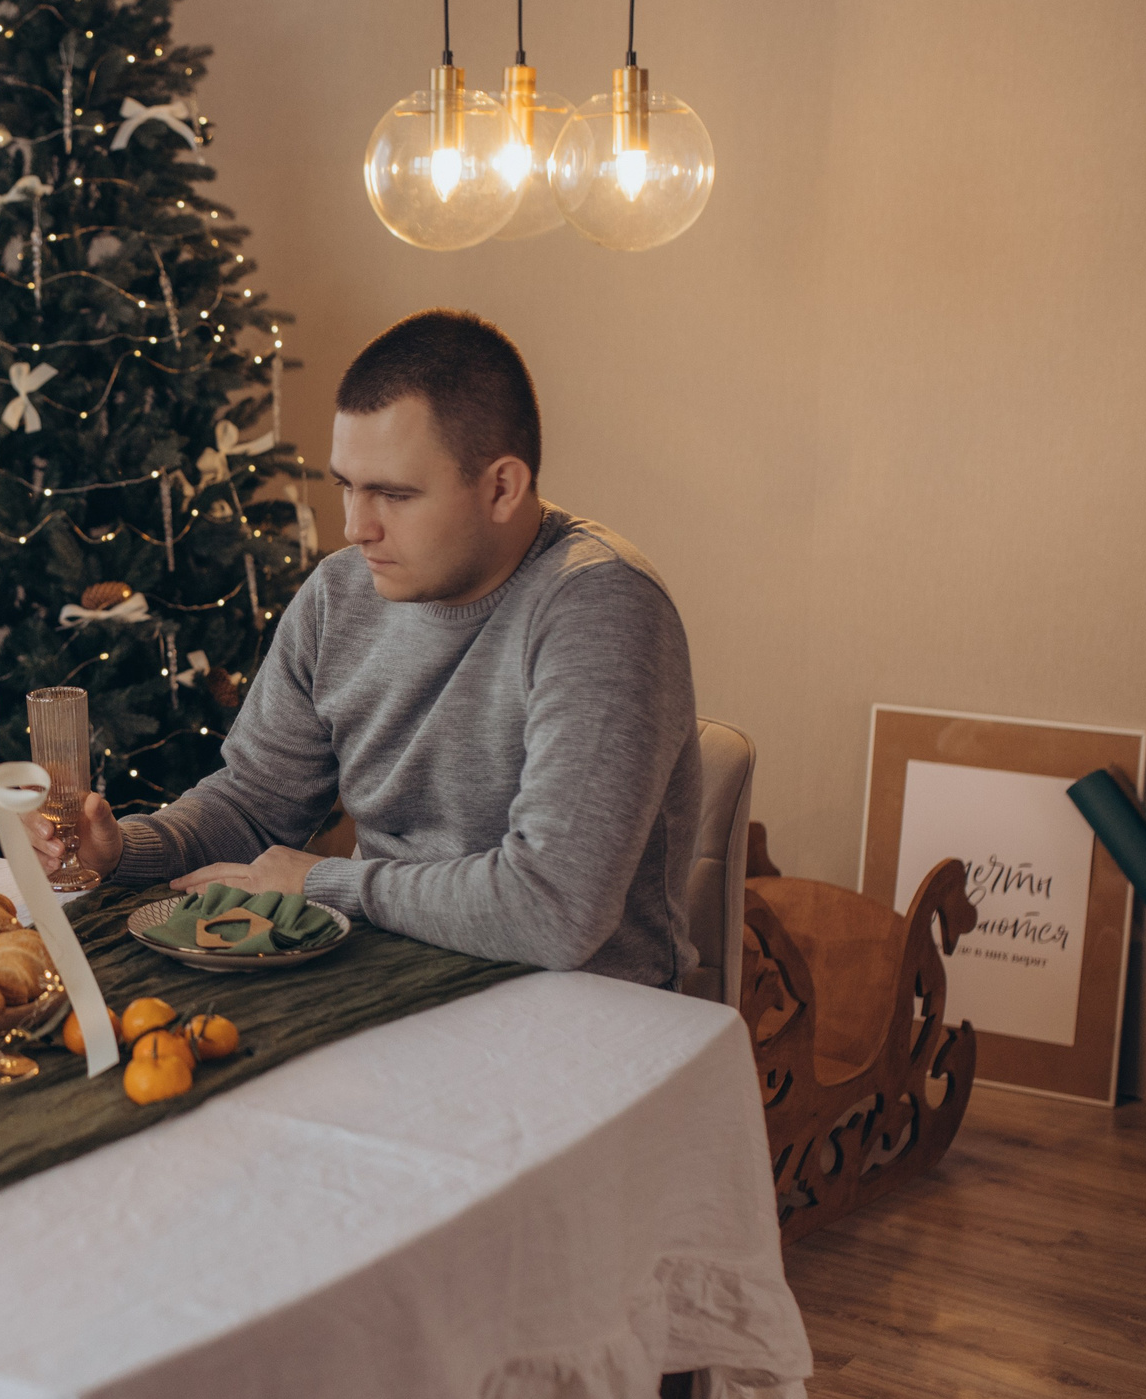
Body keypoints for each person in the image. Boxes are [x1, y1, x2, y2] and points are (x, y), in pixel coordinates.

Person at [36, 309, 701, 986]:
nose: (355, 527)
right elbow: (253, 806)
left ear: (502, 486)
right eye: (348, 486)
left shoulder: (601, 605)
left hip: (583, 1016)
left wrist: (329, 882)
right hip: (385, 979)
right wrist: (123, 850)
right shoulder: (339, 595)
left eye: (393, 493)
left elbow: (555, 910)